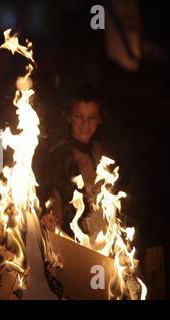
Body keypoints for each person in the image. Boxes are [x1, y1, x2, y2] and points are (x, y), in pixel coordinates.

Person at [40, 84, 108, 241]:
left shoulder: (102, 153)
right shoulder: (60, 156)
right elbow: (53, 197)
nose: (85, 124)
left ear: (99, 119)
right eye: (79, 116)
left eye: (91, 117)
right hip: (75, 246)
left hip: (105, 244)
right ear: (69, 117)